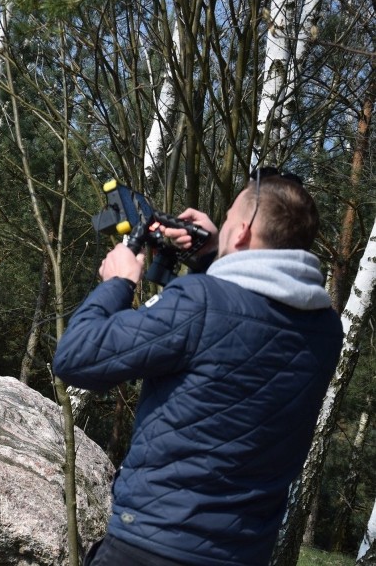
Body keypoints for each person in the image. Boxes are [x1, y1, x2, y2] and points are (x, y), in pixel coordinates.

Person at [52, 169, 344, 566]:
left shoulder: (199, 302)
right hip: (244, 553)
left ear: (241, 233)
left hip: (151, 544)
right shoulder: (326, 331)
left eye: (226, 221)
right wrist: (211, 255)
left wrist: (118, 282)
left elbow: (76, 358)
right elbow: (242, 330)